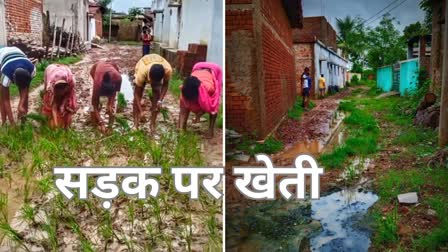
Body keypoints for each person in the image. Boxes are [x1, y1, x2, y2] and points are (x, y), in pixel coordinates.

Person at [178, 62, 222, 138]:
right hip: (197, 66)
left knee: (214, 105)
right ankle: (183, 128)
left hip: (215, 69)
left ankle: (210, 131)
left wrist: (198, 116)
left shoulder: (209, 88)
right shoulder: (184, 89)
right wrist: (181, 130)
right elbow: (182, 111)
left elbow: (211, 107)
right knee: (185, 107)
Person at [133, 54, 172, 133]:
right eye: (152, 81)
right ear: (149, 77)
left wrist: (160, 101)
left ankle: (152, 124)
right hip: (142, 64)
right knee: (139, 94)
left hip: (156, 66)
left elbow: (165, 85)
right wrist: (141, 111)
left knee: (156, 93)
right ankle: (136, 123)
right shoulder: (142, 72)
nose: (152, 83)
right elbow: (136, 94)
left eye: (156, 82)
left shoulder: (168, 69)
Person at [0, 46, 35, 125]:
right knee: (2, 96)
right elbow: (6, 100)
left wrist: (21, 105)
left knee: (24, 92)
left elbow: (25, 90)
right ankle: (4, 122)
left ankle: (23, 120)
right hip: (2, 56)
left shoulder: (32, 69)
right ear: (13, 79)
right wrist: (13, 123)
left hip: (17, 52)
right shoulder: (6, 74)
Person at [90, 61, 122, 133]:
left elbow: (114, 93)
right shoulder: (97, 84)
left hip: (111, 65)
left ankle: (110, 127)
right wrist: (101, 122)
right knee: (95, 104)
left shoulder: (118, 79)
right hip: (96, 68)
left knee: (111, 107)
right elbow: (93, 105)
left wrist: (110, 105)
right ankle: (94, 124)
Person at [42, 64, 77, 129]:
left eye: (62, 91)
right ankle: (50, 120)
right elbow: (54, 106)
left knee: (68, 106)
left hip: (65, 75)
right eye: (58, 91)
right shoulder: (51, 87)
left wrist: (63, 105)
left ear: (66, 88)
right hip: (51, 70)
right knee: (50, 103)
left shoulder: (71, 83)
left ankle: (67, 126)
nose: (60, 93)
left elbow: (68, 96)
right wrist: (56, 125)